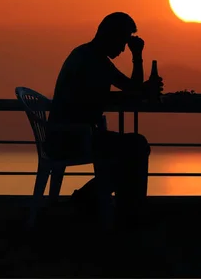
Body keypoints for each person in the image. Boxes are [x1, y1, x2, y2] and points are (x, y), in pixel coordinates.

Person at [46, 12, 163, 227]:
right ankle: (118, 208)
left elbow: (125, 90)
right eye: (122, 41)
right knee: (136, 146)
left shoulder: (89, 56)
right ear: (111, 36)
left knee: (134, 148)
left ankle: (114, 206)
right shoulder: (92, 60)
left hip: (71, 134)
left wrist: (140, 88)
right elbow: (132, 89)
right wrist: (137, 57)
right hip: (73, 137)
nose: (122, 49)